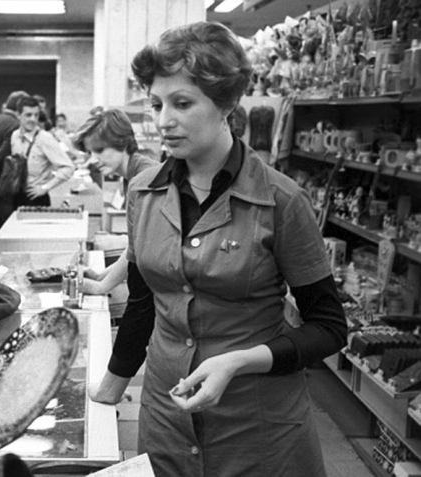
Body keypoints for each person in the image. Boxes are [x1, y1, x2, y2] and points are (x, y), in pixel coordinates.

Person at [90, 22, 347, 476]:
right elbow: (143, 301)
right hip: (168, 416)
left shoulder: (281, 200)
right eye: (156, 104)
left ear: (226, 104)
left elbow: (328, 326)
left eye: (182, 103)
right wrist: (111, 384)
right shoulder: (142, 193)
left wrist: (241, 361)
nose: (163, 121)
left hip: (257, 425)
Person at [71, 109, 157, 295]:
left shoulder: (143, 177)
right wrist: (101, 276)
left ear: (122, 142)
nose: (93, 159)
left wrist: (101, 286)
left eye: (100, 150)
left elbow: (142, 248)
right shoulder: (133, 174)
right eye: (90, 152)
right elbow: (134, 246)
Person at [0, 96, 74, 226]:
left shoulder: (45, 138)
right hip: (15, 197)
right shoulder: (15, 136)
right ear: (18, 115)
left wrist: (45, 187)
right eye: (28, 115)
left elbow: (68, 167)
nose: (32, 119)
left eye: (36, 115)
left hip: (36, 199)